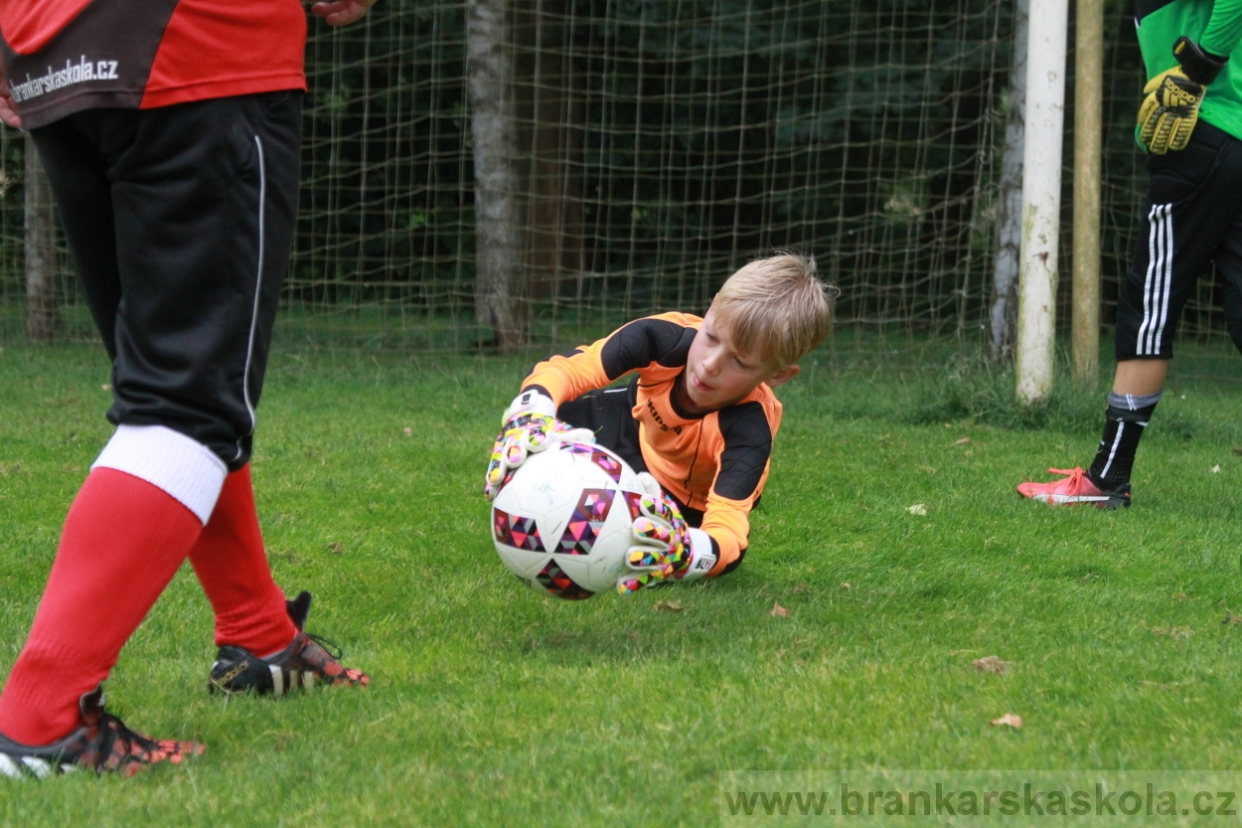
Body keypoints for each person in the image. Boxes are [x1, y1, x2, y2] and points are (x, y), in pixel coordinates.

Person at [0, 0, 375, 779]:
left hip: (50, 53)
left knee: (170, 392)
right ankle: (38, 720)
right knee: (185, 410)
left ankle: (258, 636)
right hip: (198, 45)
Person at [484, 253, 833, 592]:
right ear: (711, 309)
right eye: (711, 337)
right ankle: (520, 500)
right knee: (546, 418)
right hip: (630, 424)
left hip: (678, 500)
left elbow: (729, 532)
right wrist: (529, 413)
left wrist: (689, 551)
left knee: (648, 549)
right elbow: (568, 369)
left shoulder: (750, 429)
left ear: (778, 375)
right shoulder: (662, 337)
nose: (710, 364)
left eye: (739, 362)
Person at [1017, 0, 1242, 509]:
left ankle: (1107, 479)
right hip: (1231, 139)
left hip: (1204, 138)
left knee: (1150, 307)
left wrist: (1202, 63)